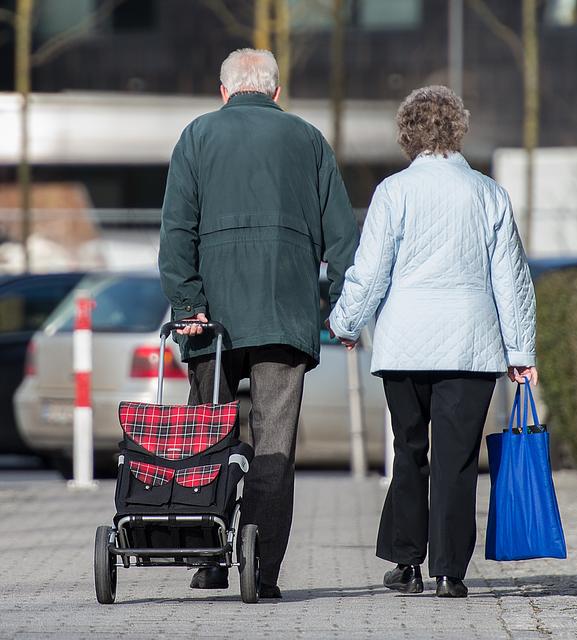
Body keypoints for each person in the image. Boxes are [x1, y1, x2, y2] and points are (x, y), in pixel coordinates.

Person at [158, 48, 358, 598]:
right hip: (284, 318)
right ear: (275, 92)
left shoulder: (197, 137)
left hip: (211, 325)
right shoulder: (309, 140)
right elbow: (343, 239)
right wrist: (340, 309)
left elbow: (176, 232)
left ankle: (209, 557)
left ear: (224, 92)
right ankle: (262, 569)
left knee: (209, 436)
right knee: (275, 445)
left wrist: (187, 303)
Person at [327, 86, 537, 598]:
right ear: (458, 129)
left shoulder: (394, 192)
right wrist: (520, 351)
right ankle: (449, 572)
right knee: (457, 459)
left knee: (410, 451)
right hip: (471, 344)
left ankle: (407, 563)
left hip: (406, 344)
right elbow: (511, 279)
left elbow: (371, 269)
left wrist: (346, 323)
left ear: (407, 132)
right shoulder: (488, 192)